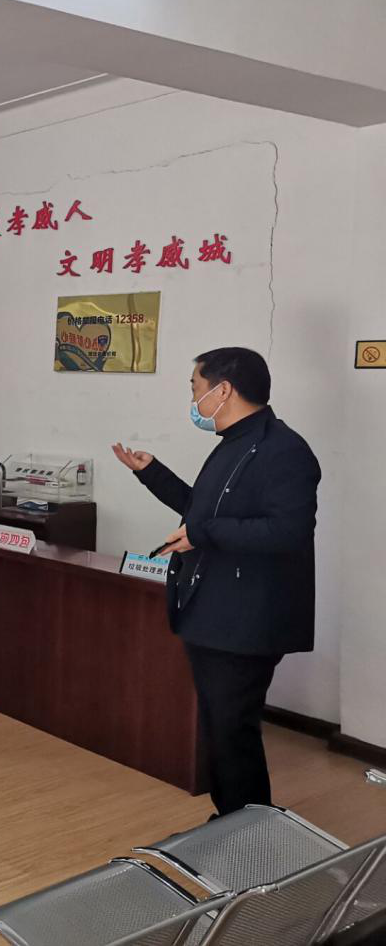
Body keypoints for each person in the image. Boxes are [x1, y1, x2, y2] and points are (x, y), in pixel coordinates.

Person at [112, 346, 319, 816]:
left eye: (195, 388)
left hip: (248, 618)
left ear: (223, 390)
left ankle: (249, 831)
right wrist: (152, 474)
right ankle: (232, 822)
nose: (193, 399)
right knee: (220, 727)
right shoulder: (233, 444)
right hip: (215, 610)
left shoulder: (284, 450)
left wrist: (202, 534)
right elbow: (202, 513)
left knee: (233, 729)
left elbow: (287, 531)